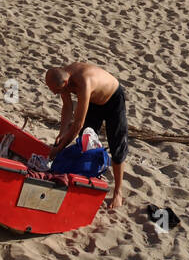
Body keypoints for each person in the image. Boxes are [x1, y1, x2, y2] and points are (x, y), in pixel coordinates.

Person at [45, 63, 128, 210]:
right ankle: (89, 177)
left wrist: (59, 149)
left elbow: (77, 124)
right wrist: (62, 133)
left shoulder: (83, 82)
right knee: (85, 141)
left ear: (65, 83)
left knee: (117, 147)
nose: (53, 94)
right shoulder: (63, 77)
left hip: (113, 99)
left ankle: (118, 193)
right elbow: (67, 106)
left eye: (55, 90)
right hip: (94, 101)